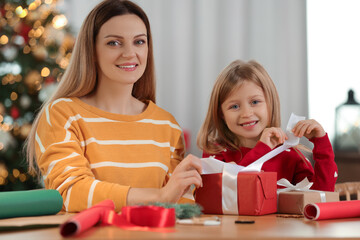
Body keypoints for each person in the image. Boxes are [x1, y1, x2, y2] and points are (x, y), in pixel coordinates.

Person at [25, 0, 202, 213]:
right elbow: (70, 192)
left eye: (139, 42)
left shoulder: (167, 125)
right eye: (114, 43)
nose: (129, 53)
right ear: (91, 50)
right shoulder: (62, 114)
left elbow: (181, 206)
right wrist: (159, 196)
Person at [197, 59, 337, 191]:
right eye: (234, 106)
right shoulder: (215, 154)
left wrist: (321, 143)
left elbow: (320, 197)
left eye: (255, 102)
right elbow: (226, 193)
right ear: (221, 113)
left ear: (271, 103)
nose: (246, 113)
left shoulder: (290, 156)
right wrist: (262, 150)